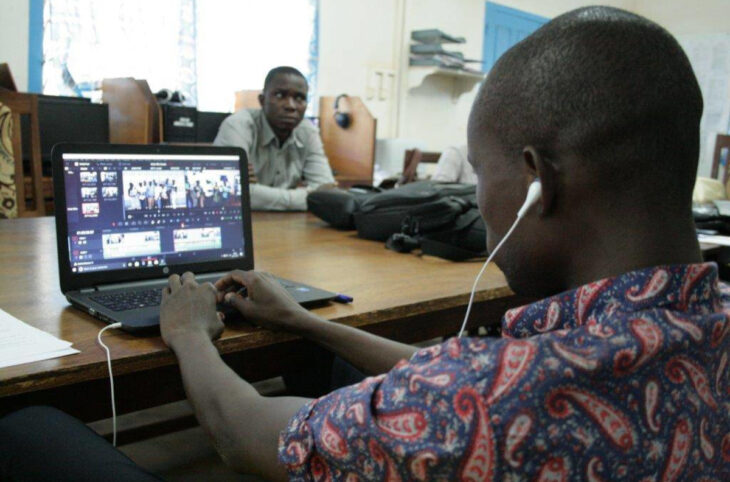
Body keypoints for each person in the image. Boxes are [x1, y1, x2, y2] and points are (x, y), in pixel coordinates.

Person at [1, 7, 728, 481]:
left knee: (30, 427)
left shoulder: (494, 402)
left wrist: (190, 334)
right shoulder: (696, 326)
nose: (475, 197)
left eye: (479, 173)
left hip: (208, 348)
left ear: (538, 182)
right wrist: (304, 320)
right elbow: (464, 373)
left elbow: (243, 432)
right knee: (324, 356)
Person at [213, 66, 336, 211]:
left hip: (287, 225)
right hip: (239, 221)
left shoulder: (307, 131)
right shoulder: (238, 126)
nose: (291, 106)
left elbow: (328, 195)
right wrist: (308, 197)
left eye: (299, 98)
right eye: (279, 95)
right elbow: (229, 193)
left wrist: (254, 192)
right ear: (262, 100)